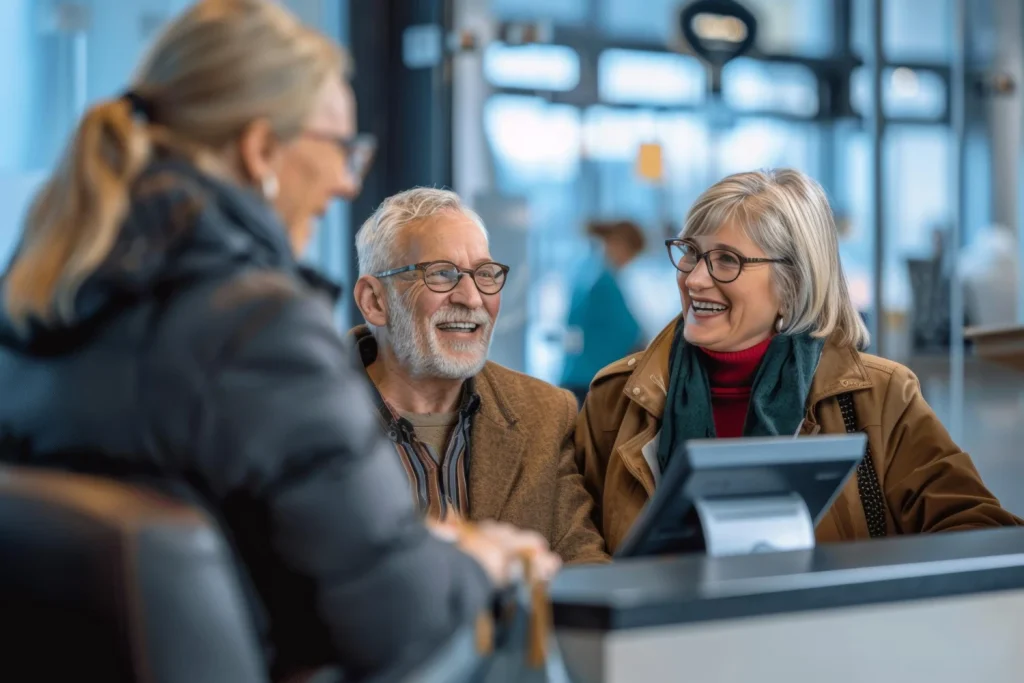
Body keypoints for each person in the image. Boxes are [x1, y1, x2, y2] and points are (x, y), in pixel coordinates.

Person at [0, 1, 559, 681]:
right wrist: (477, 560)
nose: (347, 181)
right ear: (262, 148)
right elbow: (396, 621)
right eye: (340, 148)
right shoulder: (255, 330)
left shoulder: (40, 301)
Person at [576, 169, 1022, 552]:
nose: (694, 278)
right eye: (690, 252)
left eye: (726, 260)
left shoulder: (880, 397)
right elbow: (575, 550)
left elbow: (980, 532)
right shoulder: (616, 399)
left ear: (792, 283)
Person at [352, 187, 608, 564]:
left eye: (485, 274)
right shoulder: (301, 421)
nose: (472, 298)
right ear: (375, 301)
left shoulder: (546, 415)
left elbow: (585, 570)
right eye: (442, 274)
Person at [560, 220, 645, 406]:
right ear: (619, 244)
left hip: (576, 374)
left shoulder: (585, 270)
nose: (628, 262)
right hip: (594, 378)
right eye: (631, 255)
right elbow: (629, 332)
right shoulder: (604, 281)